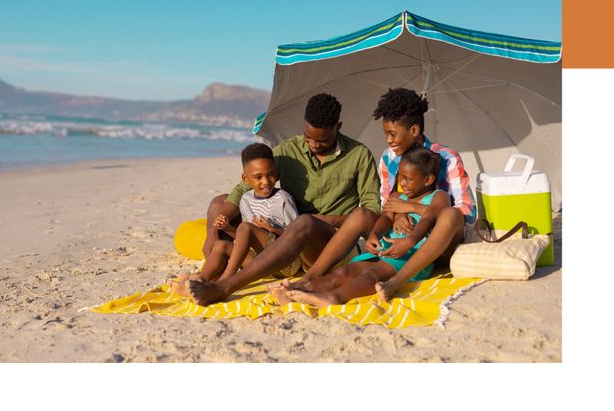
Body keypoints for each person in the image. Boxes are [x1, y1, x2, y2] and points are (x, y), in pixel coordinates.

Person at [185, 92, 380, 305]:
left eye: (321, 140)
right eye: (308, 138)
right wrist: (212, 231)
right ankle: (212, 274)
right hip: (288, 241)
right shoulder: (288, 151)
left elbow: (371, 210)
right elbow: (243, 187)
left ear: (338, 127)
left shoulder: (359, 155)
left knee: (304, 222)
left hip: (330, 243)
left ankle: (226, 286)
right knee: (220, 202)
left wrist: (328, 220)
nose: (313, 144)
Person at [281, 85, 476, 289]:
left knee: (451, 215)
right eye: (386, 134)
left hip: (438, 242)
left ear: (414, 130)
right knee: (360, 215)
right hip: (400, 235)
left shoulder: (447, 157)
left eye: (392, 134)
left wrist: (410, 209)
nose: (388, 141)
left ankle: (397, 279)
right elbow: (387, 204)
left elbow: (465, 213)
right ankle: (309, 278)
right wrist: (397, 214)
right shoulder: (388, 159)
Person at [270, 146, 448, 307]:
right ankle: (299, 289)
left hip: (409, 255)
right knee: (345, 271)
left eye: (408, 179)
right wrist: (374, 235)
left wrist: (408, 214)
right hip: (385, 249)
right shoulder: (397, 197)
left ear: (428, 180)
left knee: (372, 275)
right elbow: (385, 217)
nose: (402, 183)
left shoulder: (438, 197)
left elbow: (431, 216)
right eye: (400, 177)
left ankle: (334, 297)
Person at [170, 143, 297, 294]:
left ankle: (225, 281)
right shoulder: (246, 199)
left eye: (271, 175)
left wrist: (272, 228)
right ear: (246, 179)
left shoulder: (283, 199)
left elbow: (296, 236)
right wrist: (227, 228)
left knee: (245, 227)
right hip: (259, 263)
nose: (266, 181)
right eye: (258, 177)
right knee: (221, 245)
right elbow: (245, 236)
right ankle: (201, 279)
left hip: (285, 263)